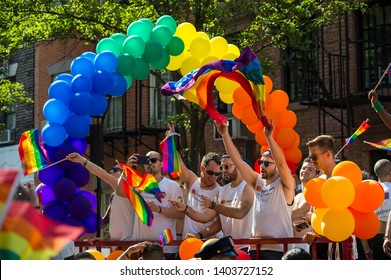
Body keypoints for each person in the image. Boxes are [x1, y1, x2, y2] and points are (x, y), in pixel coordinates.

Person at [215, 119, 295, 260]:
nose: (262, 166)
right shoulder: (257, 181)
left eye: (266, 163)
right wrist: (225, 135)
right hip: (255, 247)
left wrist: (269, 138)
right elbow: (238, 163)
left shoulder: (285, 184)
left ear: (275, 165)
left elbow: (282, 163)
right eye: (260, 162)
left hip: (278, 249)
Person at [170, 152, 254, 251]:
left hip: (244, 246)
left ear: (239, 165)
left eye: (226, 167)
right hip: (227, 247)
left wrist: (213, 205)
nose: (223, 171)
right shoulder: (223, 191)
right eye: (222, 168)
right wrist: (185, 208)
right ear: (202, 169)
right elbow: (206, 217)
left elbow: (240, 213)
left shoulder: (248, 186)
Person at [127, 151, 185, 259]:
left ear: (162, 164)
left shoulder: (172, 185)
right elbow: (119, 191)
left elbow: (181, 214)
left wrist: (159, 209)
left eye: (153, 160)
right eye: (146, 160)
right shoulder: (137, 183)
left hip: (166, 248)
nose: (150, 163)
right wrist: (128, 168)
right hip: (141, 247)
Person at [66, 153, 135, 243]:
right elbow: (114, 224)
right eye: (111, 169)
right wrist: (103, 240)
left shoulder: (131, 190)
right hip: (117, 245)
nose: (111, 172)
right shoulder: (114, 195)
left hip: (129, 244)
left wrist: (82, 160)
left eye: (115, 170)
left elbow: (103, 174)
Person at [302, 135, 341, 260]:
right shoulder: (318, 182)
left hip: (340, 245)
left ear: (328, 154)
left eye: (314, 157)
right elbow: (315, 214)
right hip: (320, 245)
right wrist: (306, 224)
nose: (312, 161)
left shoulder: (343, 179)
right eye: (310, 157)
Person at [177, 151, 223, 240]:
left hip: (208, 244)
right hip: (188, 241)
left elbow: (206, 218)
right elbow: (178, 163)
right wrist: (169, 142)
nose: (213, 177)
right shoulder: (192, 180)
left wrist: (198, 236)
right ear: (202, 168)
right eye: (210, 172)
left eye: (217, 174)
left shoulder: (220, 192)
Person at [365, 159, 391, 260]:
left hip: (374, 236)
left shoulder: (369, 189)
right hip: (389, 236)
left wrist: (366, 249)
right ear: (390, 172)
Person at [291, 158, 318, 252]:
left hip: (308, 247)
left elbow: (299, 213)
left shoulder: (315, 193)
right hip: (293, 245)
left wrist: (278, 215)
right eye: (304, 168)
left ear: (316, 175)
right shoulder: (298, 195)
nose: (305, 171)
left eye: (310, 169)